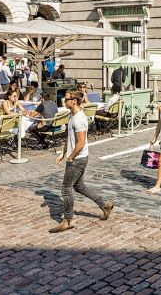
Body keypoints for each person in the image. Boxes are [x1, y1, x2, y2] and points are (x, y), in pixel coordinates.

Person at [50, 90, 113, 233]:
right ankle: (105, 205)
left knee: (66, 190)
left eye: (66, 99)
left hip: (78, 159)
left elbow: (81, 142)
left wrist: (71, 157)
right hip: (78, 157)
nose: (64, 101)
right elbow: (70, 138)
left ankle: (67, 220)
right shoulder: (73, 116)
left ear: (73, 101)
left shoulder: (79, 119)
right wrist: (63, 152)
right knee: (79, 187)